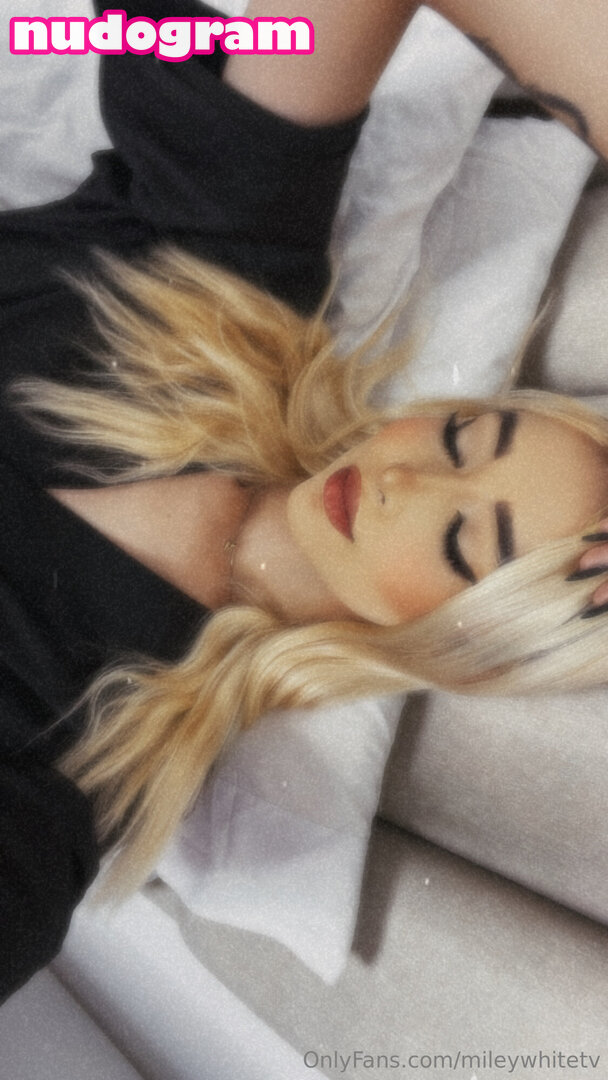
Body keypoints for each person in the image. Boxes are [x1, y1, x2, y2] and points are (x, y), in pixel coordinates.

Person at [1, 0, 607, 1003]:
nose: (406, 481)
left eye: (461, 539)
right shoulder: (226, 284)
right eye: (460, 437)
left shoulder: (94, 744)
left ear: (459, 640)